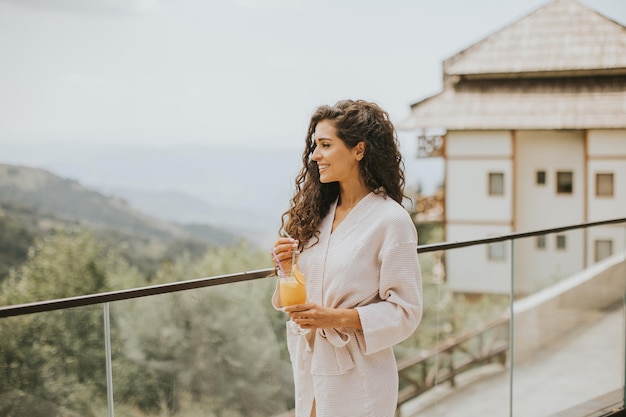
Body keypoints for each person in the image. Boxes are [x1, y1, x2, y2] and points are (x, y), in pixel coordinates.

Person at [271, 99, 423, 417]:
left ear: (359, 150)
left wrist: (336, 319)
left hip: (360, 378)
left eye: (325, 145)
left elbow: (406, 312)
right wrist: (288, 271)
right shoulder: (317, 217)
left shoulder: (390, 220)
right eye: (315, 146)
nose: (315, 156)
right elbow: (303, 298)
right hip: (311, 368)